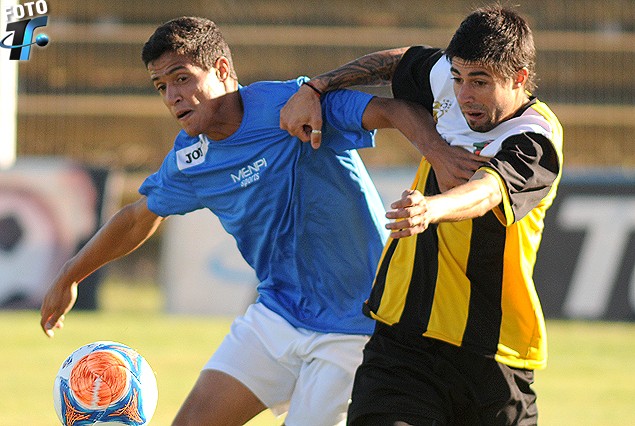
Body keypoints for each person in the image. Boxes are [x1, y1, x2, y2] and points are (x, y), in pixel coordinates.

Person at [39, 16, 482, 426]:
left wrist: (438, 154)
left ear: (222, 69)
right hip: (277, 314)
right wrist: (69, 275)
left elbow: (389, 110)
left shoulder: (289, 105)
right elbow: (137, 218)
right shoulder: (190, 160)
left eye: (182, 78)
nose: (173, 96)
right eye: (161, 86)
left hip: (357, 325)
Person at [281, 5, 563, 425]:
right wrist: (318, 87)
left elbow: (486, 192)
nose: (464, 94)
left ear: (519, 78)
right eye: (459, 78)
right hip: (403, 339)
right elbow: (400, 60)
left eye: (480, 82)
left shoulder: (534, 139)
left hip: (490, 356)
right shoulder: (451, 83)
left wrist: (431, 208)